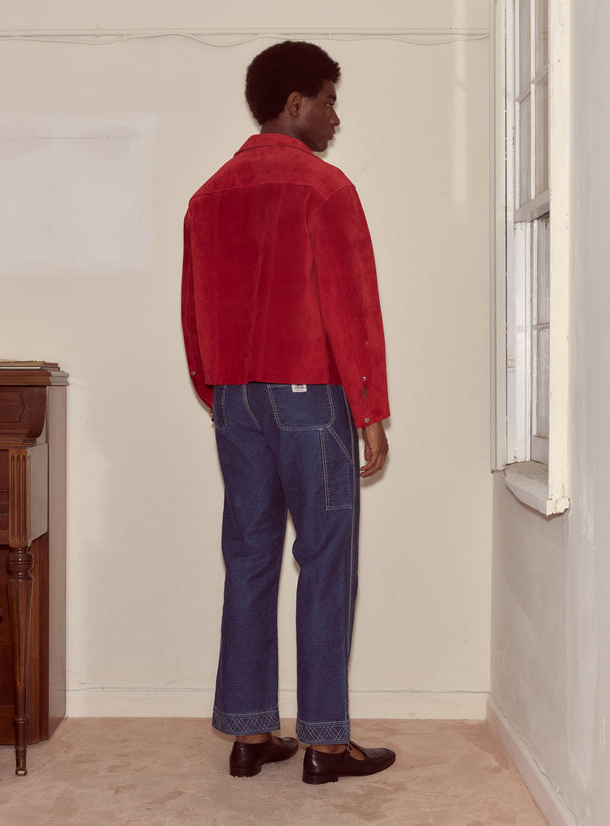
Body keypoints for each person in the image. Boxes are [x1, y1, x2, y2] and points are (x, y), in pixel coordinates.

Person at [181, 40, 394, 784]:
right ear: (295, 103)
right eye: (330, 99)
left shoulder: (207, 196)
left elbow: (193, 314)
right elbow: (351, 304)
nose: (337, 116)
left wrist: (221, 394)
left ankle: (249, 736)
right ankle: (327, 744)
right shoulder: (323, 188)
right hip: (310, 396)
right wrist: (368, 407)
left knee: (249, 558)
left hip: (237, 400)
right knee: (326, 560)